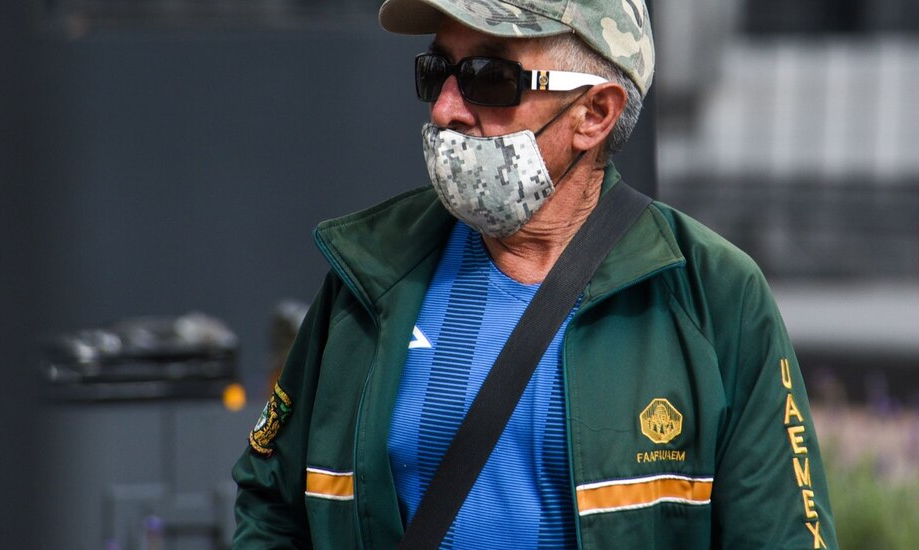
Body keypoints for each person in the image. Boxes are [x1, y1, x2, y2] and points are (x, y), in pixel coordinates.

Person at [232, 0, 836, 548]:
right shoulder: (370, 273)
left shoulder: (713, 295)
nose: (445, 109)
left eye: (488, 78)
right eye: (436, 71)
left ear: (594, 114)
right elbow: (272, 507)